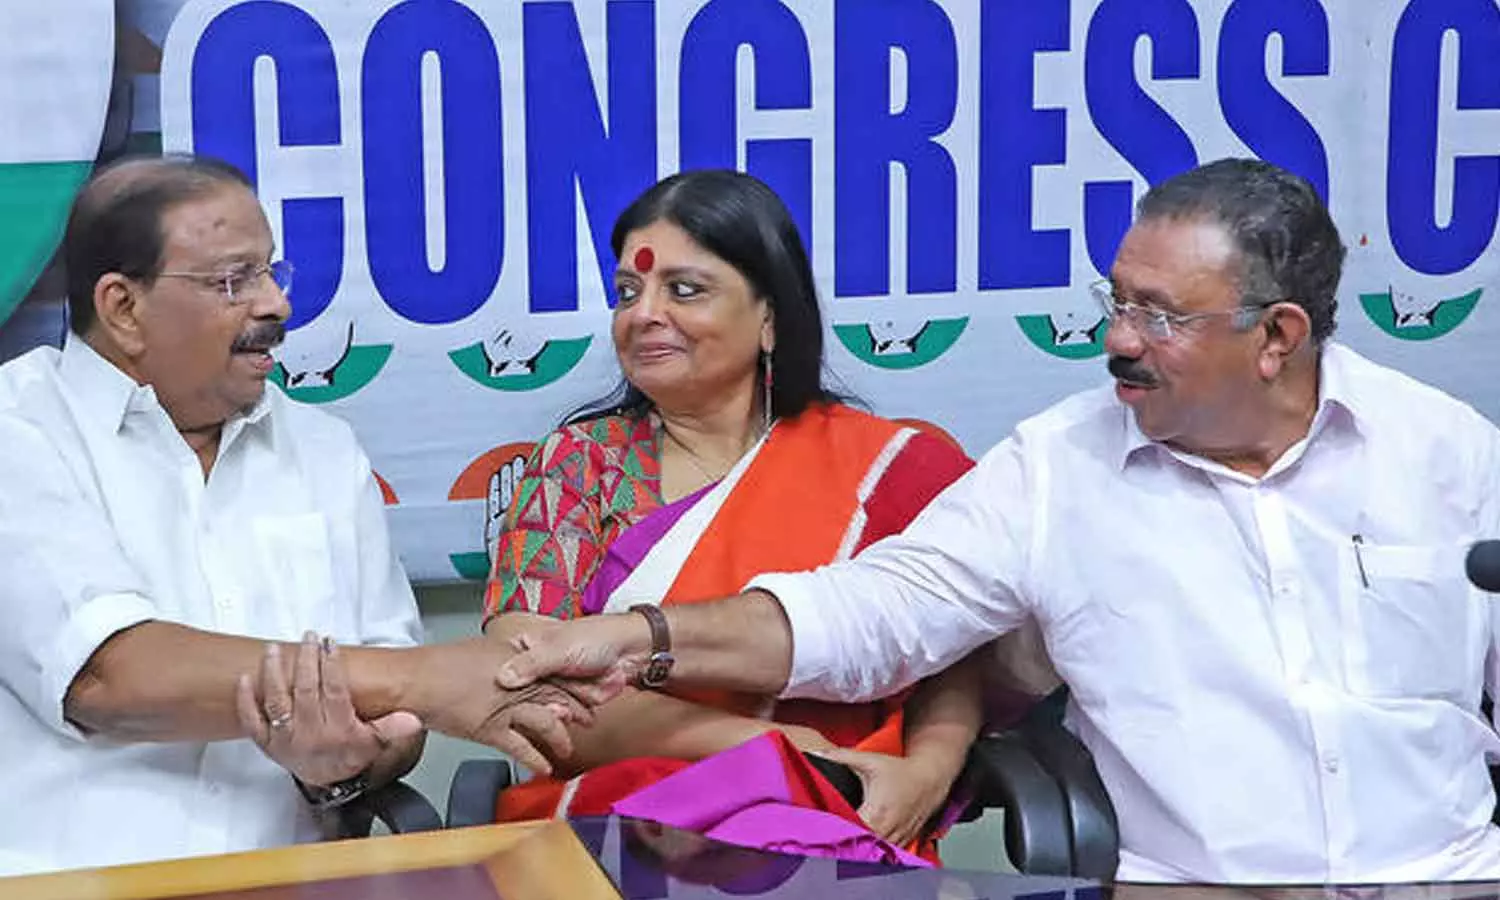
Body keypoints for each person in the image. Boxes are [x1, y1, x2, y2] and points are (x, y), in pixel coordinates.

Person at [496, 158, 1500, 883]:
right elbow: (877, 614)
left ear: (1277, 336)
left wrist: (925, 767)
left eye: (1158, 316)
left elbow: (953, 664)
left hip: (1449, 873)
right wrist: (648, 640)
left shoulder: (1450, 452)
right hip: (1196, 885)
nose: (1118, 339)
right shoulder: (1057, 468)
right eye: (1116, 301)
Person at [0, 155, 588, 876]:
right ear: (123, 307)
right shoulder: (20, 432)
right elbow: (106, 676)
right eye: (234, 280)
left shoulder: (321, 449)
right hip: (78, 880)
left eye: (272, 272)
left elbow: (400, 716)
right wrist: (425, 678)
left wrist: (345, 763)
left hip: (291, 878)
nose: (276, 304)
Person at [482, 169, 992, 861]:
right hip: (617, 830)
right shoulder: (578, 466)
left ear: (770, 318)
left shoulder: (886, 469)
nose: (643, 314)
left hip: (842, 821)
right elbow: (526, 686)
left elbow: (954, 645)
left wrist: (928, 772)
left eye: (683, 289)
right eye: (627, 292)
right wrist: (767, 751)